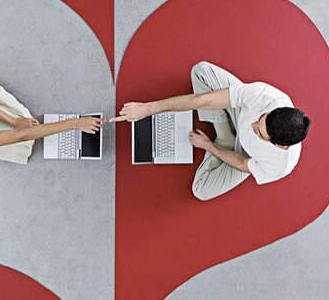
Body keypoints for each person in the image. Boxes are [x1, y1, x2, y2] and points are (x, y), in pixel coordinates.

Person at [112, 61, 311, 200]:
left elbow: (242, 163)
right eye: (260, 119)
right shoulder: (266, 96)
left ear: (278, 144)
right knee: (202, 71)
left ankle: (223, 140)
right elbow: (202, 100)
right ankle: (224, 131)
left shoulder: (279, 166)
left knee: (201, 190)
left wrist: (210, 146)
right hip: (238, 111)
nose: (253, 127)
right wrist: (148, 108)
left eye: (259, 133)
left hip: (244, 153)